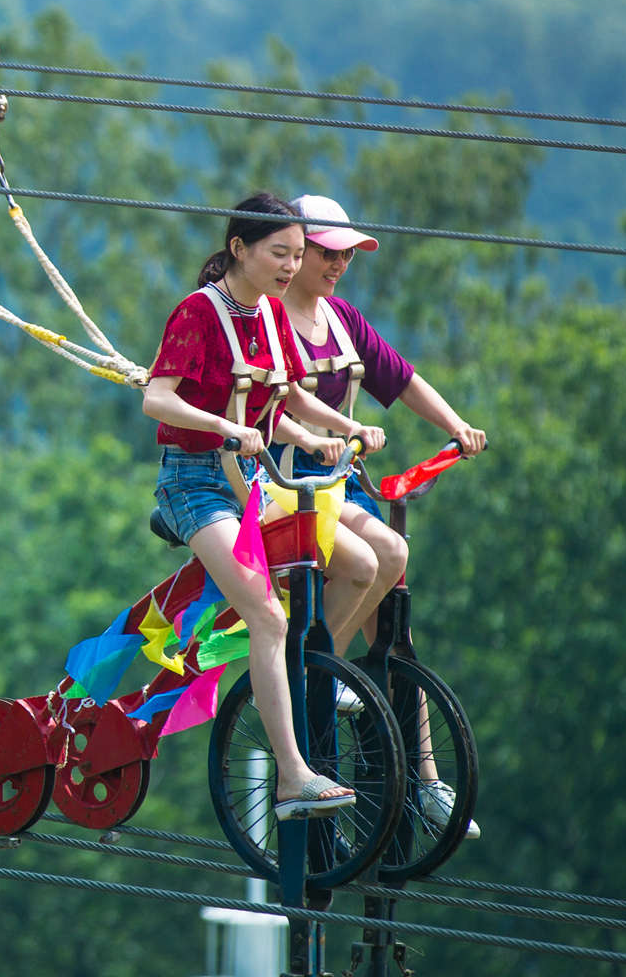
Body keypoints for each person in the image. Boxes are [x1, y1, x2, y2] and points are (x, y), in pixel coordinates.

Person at [140, 194, 387, 817]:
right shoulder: (198, 314)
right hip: (195, 483)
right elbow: (157, 399)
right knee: (269, 616)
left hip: (251, 477)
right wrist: (225, 428)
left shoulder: (271, 315)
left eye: (298, 255)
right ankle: (292, 777)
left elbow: (293, 402)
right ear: (238, 249)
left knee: (362, 563)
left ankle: (310, 683)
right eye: (280, 252)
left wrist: (336, 432)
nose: (291, 265)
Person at [279, 192, 489, 834]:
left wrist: (457, 424)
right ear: (292, 253)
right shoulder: (264, 320)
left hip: (340, 487)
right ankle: (322, 675)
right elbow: (263, 411)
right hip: (285, 485)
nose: (337, 265)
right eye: (325, 252)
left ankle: (423, 779)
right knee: (377, 562)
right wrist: (337, 430)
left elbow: (400, 379)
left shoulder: (341, 319)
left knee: (395, 624)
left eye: (345, 254)